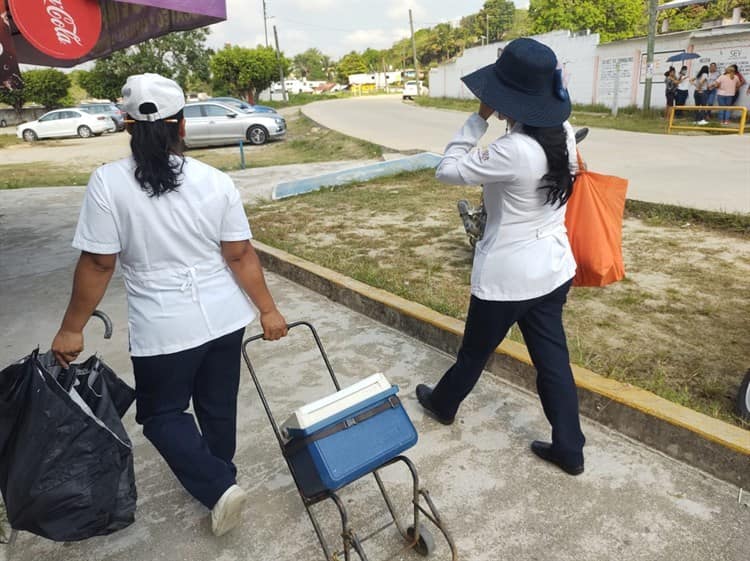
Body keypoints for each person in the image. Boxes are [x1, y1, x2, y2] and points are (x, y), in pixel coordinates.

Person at [51, 73, 288, 537]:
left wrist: (72, 327)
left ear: (126, 125)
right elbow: (239, 254)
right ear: (181, 126)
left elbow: (100, 263)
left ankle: (218, 485)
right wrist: (268, 310)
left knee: (161, 416)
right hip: (224, 317)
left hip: (164, 326)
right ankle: (221, 475)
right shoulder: (214, 180)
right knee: (217, 404)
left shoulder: (108, 183)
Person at [415, 38, 585, 476]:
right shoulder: (562, 133)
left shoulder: (513, 151)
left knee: (474, 353)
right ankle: (570, 446)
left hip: (509, 277)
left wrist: (477, 120)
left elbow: (446, 170)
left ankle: (444, 403)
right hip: (552, 267)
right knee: (553, 361)